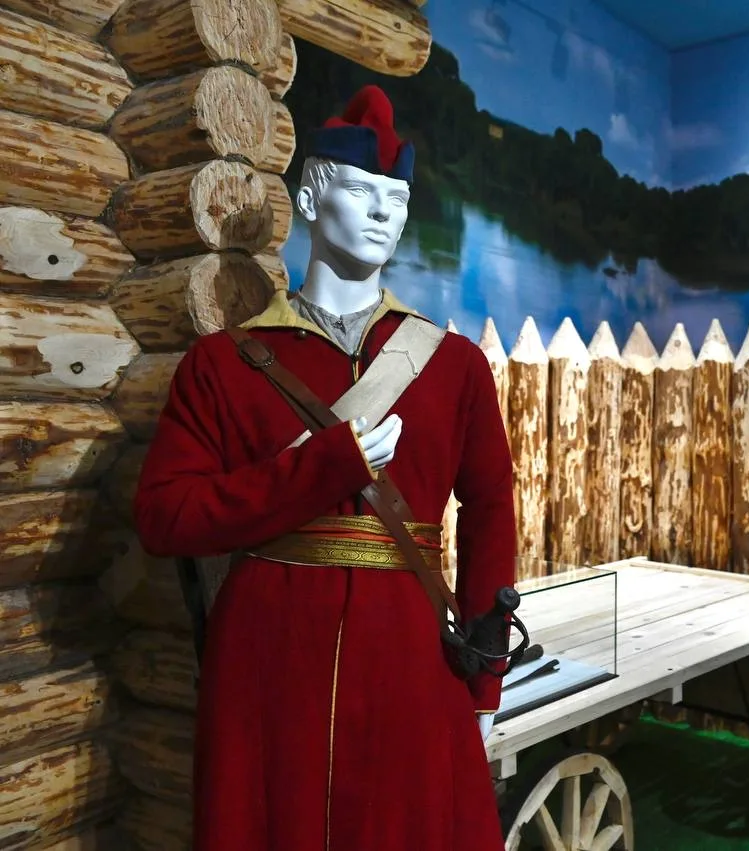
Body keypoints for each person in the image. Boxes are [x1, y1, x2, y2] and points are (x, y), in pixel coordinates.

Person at [133, 85, 514, 850]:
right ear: (310, 197)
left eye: (396, 200)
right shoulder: (223, 365)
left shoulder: (454, 366)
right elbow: (165, 517)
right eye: (361, 191)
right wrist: (322, 468)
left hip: (411, 660)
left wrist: (484, 676)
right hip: (267, 661)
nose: (382, 214)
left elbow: (492, 512)